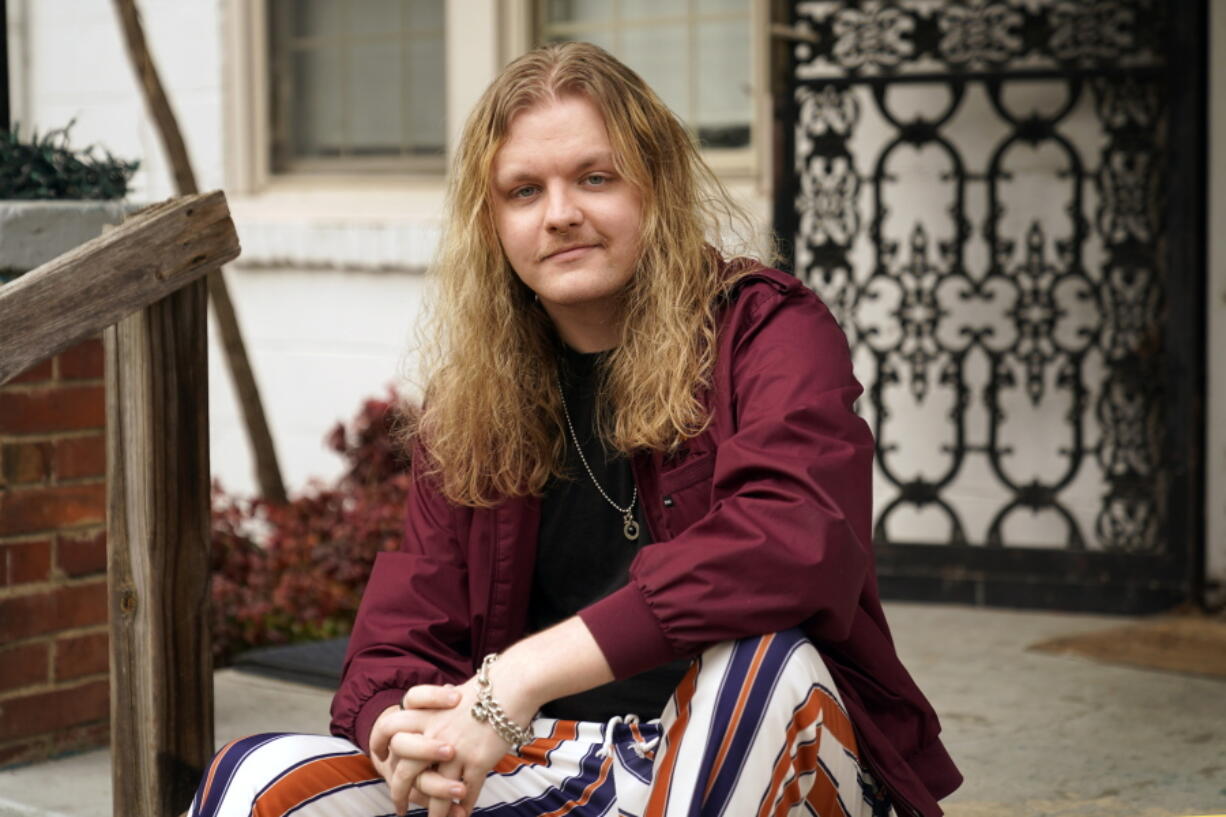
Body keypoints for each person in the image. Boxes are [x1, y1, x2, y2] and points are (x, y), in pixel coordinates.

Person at [190, 42, 961, 817]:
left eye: (596, 178)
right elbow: (404, 635)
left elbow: (792, 540)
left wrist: (517, 678)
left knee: (759, 664)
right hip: (558, 759)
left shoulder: (765, 330)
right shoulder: (475, 404)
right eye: (524, 191)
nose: (561, 214)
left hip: (764, 748)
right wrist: (398, 728)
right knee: (256, 777)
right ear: (490, 224)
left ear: (655, 187)